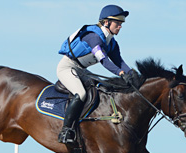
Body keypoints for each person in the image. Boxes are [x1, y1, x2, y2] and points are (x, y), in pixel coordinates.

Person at [57, 4, 136, 144]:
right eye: (117, 23)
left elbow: (119, 61)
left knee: (102, 89)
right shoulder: (94, 37)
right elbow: (103, 60)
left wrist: (132, 74)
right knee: (81, 94)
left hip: (82, 70)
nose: (120, 26)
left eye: (121, 23)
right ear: (106, 22)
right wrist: (120, 73)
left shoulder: (112, 43)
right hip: (67, 67)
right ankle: (66, 130)